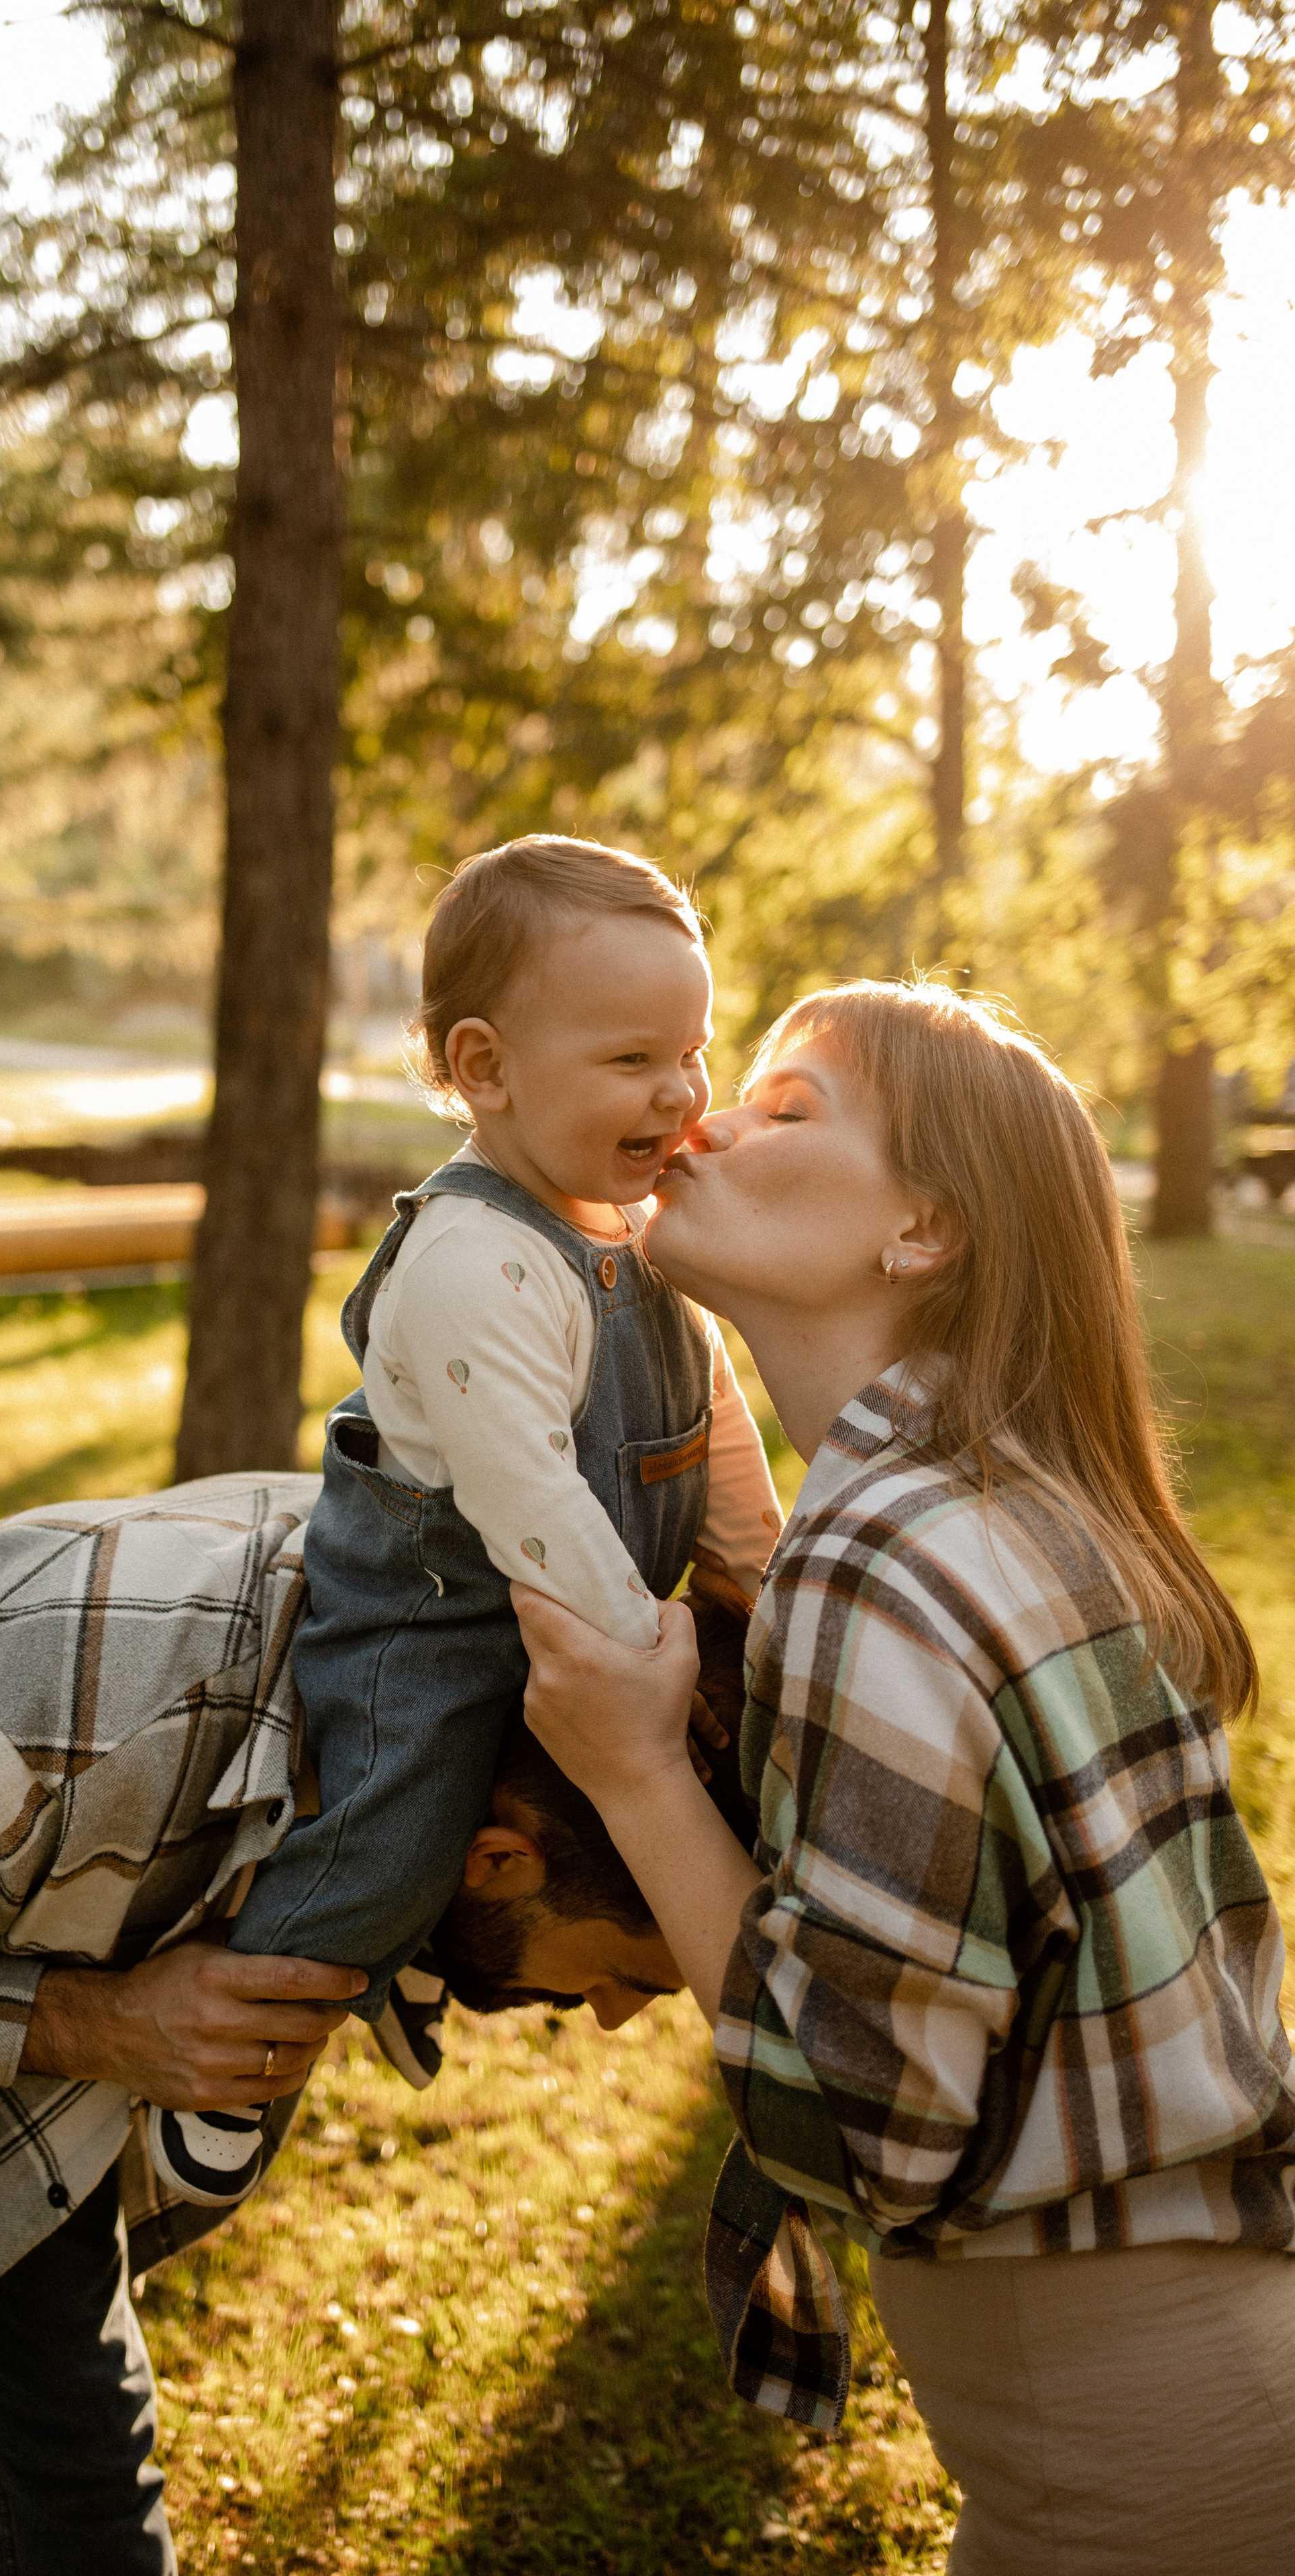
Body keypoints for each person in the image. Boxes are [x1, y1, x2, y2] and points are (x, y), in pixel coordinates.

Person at [515, 979, 1295, 2576]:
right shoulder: (1010, 1502)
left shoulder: (877, 1558)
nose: (702, 1120)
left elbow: (862, 2129)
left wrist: (634, 1772)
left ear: (921, 1231)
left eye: (787, 1109)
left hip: (1132, 2453)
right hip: (1199, 2369)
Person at [0, 1470, 685, 2576]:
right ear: (501, 1860)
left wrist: (80, 2026)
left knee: (79, 2464)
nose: (612, 2018)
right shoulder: (73, 1730)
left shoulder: (418, 1709)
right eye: (632, 1976)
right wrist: (99, 2027)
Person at [154, 837, 782, 2206]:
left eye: (693, 1051)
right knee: (394, 1836)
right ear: (485, 1068)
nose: (680, 1091)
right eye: (633, 1058)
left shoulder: (634, 1227)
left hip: (581, 1626)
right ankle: (268, 2031)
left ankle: (407, 1958)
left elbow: (709, 1414)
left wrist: (765, 1578)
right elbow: (527, 1500)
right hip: (432, 1627)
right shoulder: (472, 1260)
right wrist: (647, 1664)